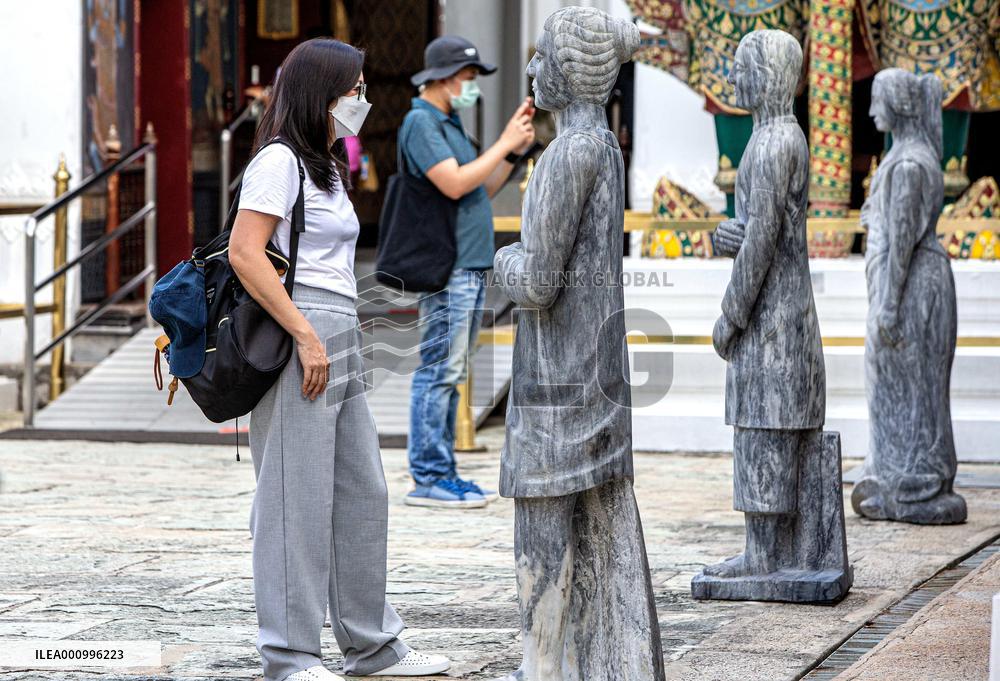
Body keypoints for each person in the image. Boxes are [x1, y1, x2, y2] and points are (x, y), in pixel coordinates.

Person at [229, 38, 450, 681]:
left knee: (362, 491)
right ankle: (290, 655)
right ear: (320, 93)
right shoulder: (278, 163)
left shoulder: (325, 164)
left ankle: (371, 647)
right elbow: (247, 253)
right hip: (299, 329)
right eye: (352, 89)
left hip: (339, 330)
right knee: (294, 498)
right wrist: (304, 333)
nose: (362, 99)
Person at [400, 35, 535, 508]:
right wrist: (502, 143)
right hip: (448, 265)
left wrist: (514, 151)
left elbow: (483, 185)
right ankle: (430, 475)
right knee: (440, 369)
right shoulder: (420, 122)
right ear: (443, 78)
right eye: (469, 78)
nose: (472, 86)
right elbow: (454, 183)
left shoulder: (449, 120)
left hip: (469, 264)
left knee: (452, 369)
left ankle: (444, 471)